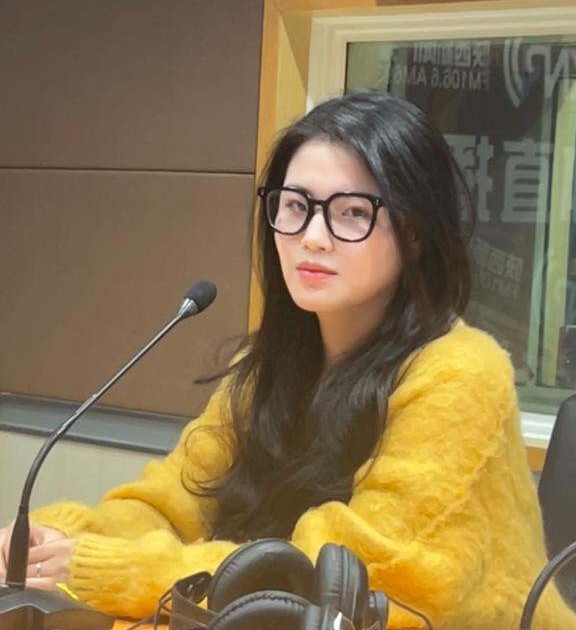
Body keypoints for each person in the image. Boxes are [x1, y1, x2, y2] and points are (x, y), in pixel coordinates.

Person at [0, 91, 574, 629]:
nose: (312, 237)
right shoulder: (267, 368)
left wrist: (114, 569)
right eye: (296, 206)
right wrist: (58, 538)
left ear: (416, 233)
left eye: (352, 212)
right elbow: (169, 503)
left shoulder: (462, 374)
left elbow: (337, 582)